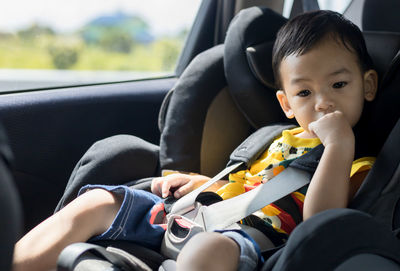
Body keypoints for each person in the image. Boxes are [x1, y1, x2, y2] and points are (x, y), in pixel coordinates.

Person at [12, 10, 378, 271]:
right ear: (285, 103)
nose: (322, 102)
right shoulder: (273, 138)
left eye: (339, 85)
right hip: (199, 214)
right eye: (303, 93)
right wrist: (203, 184)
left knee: (208, 249)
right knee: (96, 201)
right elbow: (247, 183)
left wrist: (338, 147)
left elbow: (322, 223)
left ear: (368, 85)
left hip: (249, 241)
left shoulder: (357, 163)